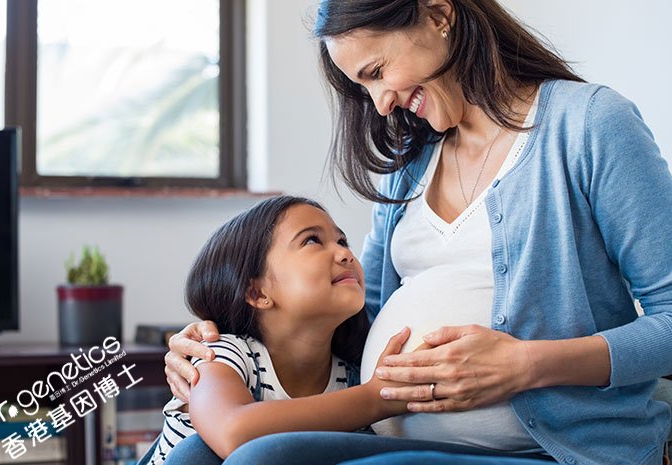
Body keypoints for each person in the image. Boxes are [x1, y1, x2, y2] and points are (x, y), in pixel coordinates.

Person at [163, 1, 672, 464]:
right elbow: (362, 319)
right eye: (364, 87)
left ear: (437, 15)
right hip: (390, 433)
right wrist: (220, 344)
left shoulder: (588, 125)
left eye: (378, 71)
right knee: (192, 456)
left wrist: (526, 365)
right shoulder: (409, 166)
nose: (381, 103)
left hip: (548, 448)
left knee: (260, 461)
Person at [138, 195, 421, 464]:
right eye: (312, 240)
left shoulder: (353, 373)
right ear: (258, 292)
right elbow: (232, 431)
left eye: (342, 240)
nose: (345, 253)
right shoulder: (221, 355)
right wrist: (375, 399)